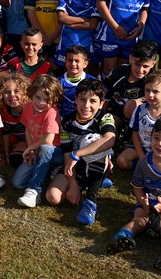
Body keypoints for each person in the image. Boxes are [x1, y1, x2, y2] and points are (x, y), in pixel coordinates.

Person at [106, 116, 161, 270]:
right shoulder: (143, 163)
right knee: (139, 219)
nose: (160, 144)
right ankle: (120, 239)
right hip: (148, 202)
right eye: (156, 138)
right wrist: (143, 202)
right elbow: (138, 188)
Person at [48, 79, 115, 225]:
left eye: (93, 101)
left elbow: (110, 139)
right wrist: (72, 185)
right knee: (53, 197)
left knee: (95, 141)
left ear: (101, 103)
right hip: (74, 164)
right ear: (76, 100)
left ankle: (90, 201)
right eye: (82, 100)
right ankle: (85, 182)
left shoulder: (105, 117)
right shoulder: (67, 122)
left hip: (94, 159)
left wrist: (77, 154)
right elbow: (67, 154)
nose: (86, 106)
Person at [13, 74, 63, 208]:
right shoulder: (28, 107)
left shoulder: (52, 112)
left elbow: (48, 140)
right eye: (38, 97)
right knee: (17, 183)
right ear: (32, 94)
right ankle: (45, 172)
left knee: (45, 149)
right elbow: (28, 129)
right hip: (36, 150)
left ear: (54, 100)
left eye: (47, 100)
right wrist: (31, 151)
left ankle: (34, 191)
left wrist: (29, 149)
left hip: (55, 152)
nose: (41, 103)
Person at [116, 70, 161, 171]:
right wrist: (141, 155)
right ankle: (144, 167)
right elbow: (135, 134)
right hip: (142, 147)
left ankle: (151, 168)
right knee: (121, 160)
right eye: (147, 90)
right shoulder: (140, 110)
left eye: (155, 91)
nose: (150, 95)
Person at [54, 0, 99, 68]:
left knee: (86, 75)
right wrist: (83, 19)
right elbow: (61, 18)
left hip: (87, 44)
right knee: (65, 73)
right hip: (66, 42)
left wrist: (69, 21)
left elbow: (92, 24)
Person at [0, 73, 30, 168]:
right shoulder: (3, 111)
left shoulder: (31, 109)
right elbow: (5, 134)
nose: (12, 95)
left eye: (17, 91)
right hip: (16, 140)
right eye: (7, 92)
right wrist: (6, 155)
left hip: (33, 142)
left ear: (25, 93)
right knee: (14, 160)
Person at [58, 45, 96, 119]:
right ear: (65, 61)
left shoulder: (93, 82)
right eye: (70, 60)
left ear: (85, 64)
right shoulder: (58, 82)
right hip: (63, 121)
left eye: (77, 61)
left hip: (86, 122)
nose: (73, 64)